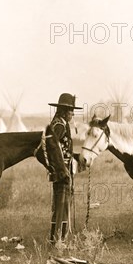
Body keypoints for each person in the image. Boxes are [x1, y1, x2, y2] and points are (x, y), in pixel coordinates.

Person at [48, 93, 82, 243]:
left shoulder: (59, 123)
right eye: (70, 111)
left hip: (64, 170)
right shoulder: (59, 126)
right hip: (62, 172)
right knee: (61, 204)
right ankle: (57, 240)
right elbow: (53, 148)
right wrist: (62, 169)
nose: (72, 114)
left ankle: (58, 238)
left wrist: (76, 157)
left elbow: (63, 149)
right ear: (63, 110)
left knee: (62, 204)